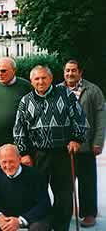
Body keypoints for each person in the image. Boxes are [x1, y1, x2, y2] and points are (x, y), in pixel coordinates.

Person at [13, 65, 88, 230]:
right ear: (31, 81)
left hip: (62, 152)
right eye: (37, 79)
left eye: (43, 78)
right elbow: (19, 129)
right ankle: (42, 226)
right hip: (37, 153)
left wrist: (76, 139)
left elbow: (80, 119)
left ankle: (61, 227)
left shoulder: (66, 95)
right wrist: (24, 153)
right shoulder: (26, 101)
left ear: (51, 79)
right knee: (37, 193)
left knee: (64, 194)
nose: (40, 81)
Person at [61, 60, 106, 227]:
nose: (70, 74)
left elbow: (101, 118)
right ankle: (65, 212)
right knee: (64, 183)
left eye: (73, 70)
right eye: (67, 71)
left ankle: (88, 214)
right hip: (63, 146)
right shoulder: (58, 90)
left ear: (80, 72)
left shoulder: (93, 90)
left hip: (86, 145)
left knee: (87, 181)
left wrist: (98, 142)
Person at [0, 144, 50, 231]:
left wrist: (20, 220)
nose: (8, 166)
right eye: (4, 162)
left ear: (19, 159)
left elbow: (44, 204)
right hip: (6, 216)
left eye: (11, 161)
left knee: (39, 226)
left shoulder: (35, 175)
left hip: (31, 216)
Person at [0, 57, 32, 171]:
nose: (0, 74)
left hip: (17, 140)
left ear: (14, 70)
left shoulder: (25, 86)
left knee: (17, 171)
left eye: (3, 71)